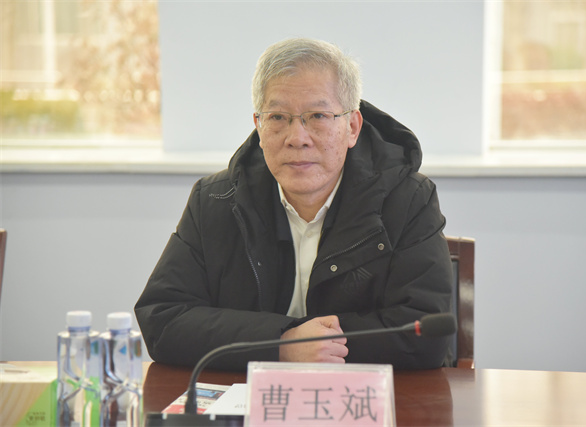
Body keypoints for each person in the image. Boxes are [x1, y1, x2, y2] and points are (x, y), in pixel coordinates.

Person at [135, 37, 453, 371]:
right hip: (251, 396)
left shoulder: (407, 200)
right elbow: (163, 319)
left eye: (317, 116)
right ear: (259, 127)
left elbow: (426, 333)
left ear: (352, 127)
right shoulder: (216, 200)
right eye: (278, 117)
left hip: (368, 395)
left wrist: (314, 346)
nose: (297, 138)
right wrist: (282, 343)